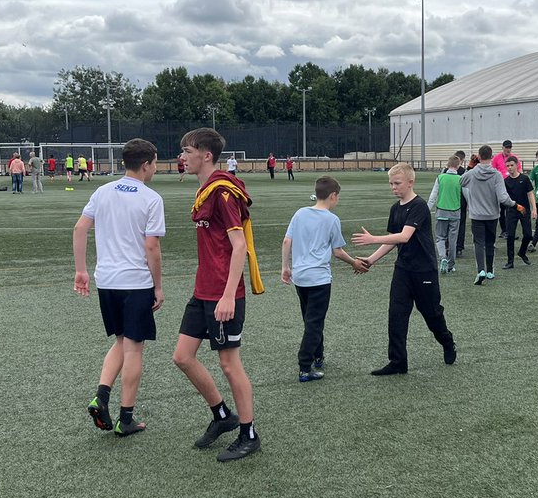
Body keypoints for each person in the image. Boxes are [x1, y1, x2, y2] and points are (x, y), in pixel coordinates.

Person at [173, 127, 266, 463]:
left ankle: (249, 433)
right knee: (182, 357)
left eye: (187, 150)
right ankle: (221, 414)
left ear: (206, 154)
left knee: (229, 363)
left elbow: (239, 245)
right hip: (203, 290)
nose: (182, 157)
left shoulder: (223, 192)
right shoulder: (206, 189)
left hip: (224, 293)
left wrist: (228, 296)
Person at [72, 138, 165, 437]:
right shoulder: (151, 198)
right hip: (135, 282)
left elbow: (80, 228)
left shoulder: (102, 191)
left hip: (107, 281)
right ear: (147, 163)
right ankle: (126, 418)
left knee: (121, 340)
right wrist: (158, 286)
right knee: (134, 347)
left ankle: (101, 395)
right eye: (155, 163)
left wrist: (81, 271)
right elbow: (152, 246)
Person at [352, 163, 456, 376]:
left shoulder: (419, 206)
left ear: (410, 182)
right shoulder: (395, 208)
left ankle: (447, 341)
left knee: (432, 314)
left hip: (424, 271)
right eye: (391, 183)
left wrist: (372, 239)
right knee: (396, 316)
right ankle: (398, 362)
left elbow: (404, 236)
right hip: (403, 271)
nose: (393, 187)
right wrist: (371, 260)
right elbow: (392, 241)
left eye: (397, 183)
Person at [282, 175, 368, 382]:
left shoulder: (300, 213)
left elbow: (287, 241)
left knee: (310, 318)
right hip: (319, 279)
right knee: (315, 322)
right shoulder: (331, 219)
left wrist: (285, 266)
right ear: (333, 196)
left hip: (300, 277)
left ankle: (318, 355)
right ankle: (305, 366)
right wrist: (354, 263)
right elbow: (337, 251)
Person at [460, 145, 517, 285]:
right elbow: (503, 198)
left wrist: (470, 167)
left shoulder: (472, 173)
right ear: (491, 157)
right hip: (492, 215)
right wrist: (514, 204)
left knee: (478, 243)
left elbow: (460, 181)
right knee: (490, 243)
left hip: (476, 215)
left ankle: (481, 270)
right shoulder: (497, 175)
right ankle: (490, 270)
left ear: (479, 157)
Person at [428, 155, 463, 273]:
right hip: (455, 212)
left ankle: (443, 257)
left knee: (440, 238)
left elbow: (433, 196)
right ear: (458, 165)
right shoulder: (460, 178)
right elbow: (468, 195)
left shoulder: (440, 178)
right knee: (453, 240)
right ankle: (450, 264)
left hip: (441, 211)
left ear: (447, 165)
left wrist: (427, 209)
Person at [502, 159, 534, 268]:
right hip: (511, 210)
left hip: (524, 210)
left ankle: (522, 252)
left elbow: (530, 194)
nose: (510, 167)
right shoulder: (506, 181)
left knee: (528, 234)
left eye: (511, 165)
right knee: (510, 235)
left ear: (516, 165)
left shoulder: (524, 178)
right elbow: (504, 197)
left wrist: (534, 209)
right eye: (508, 166)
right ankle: (510, 261)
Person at [452, 150, 469, 259]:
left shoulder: (446, 171)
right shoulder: (464, 172)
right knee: (461, 225)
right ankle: (458, 247)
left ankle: (450, 245)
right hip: (461, 201)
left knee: (450, 225)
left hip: (452, 202)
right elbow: (467, 189)